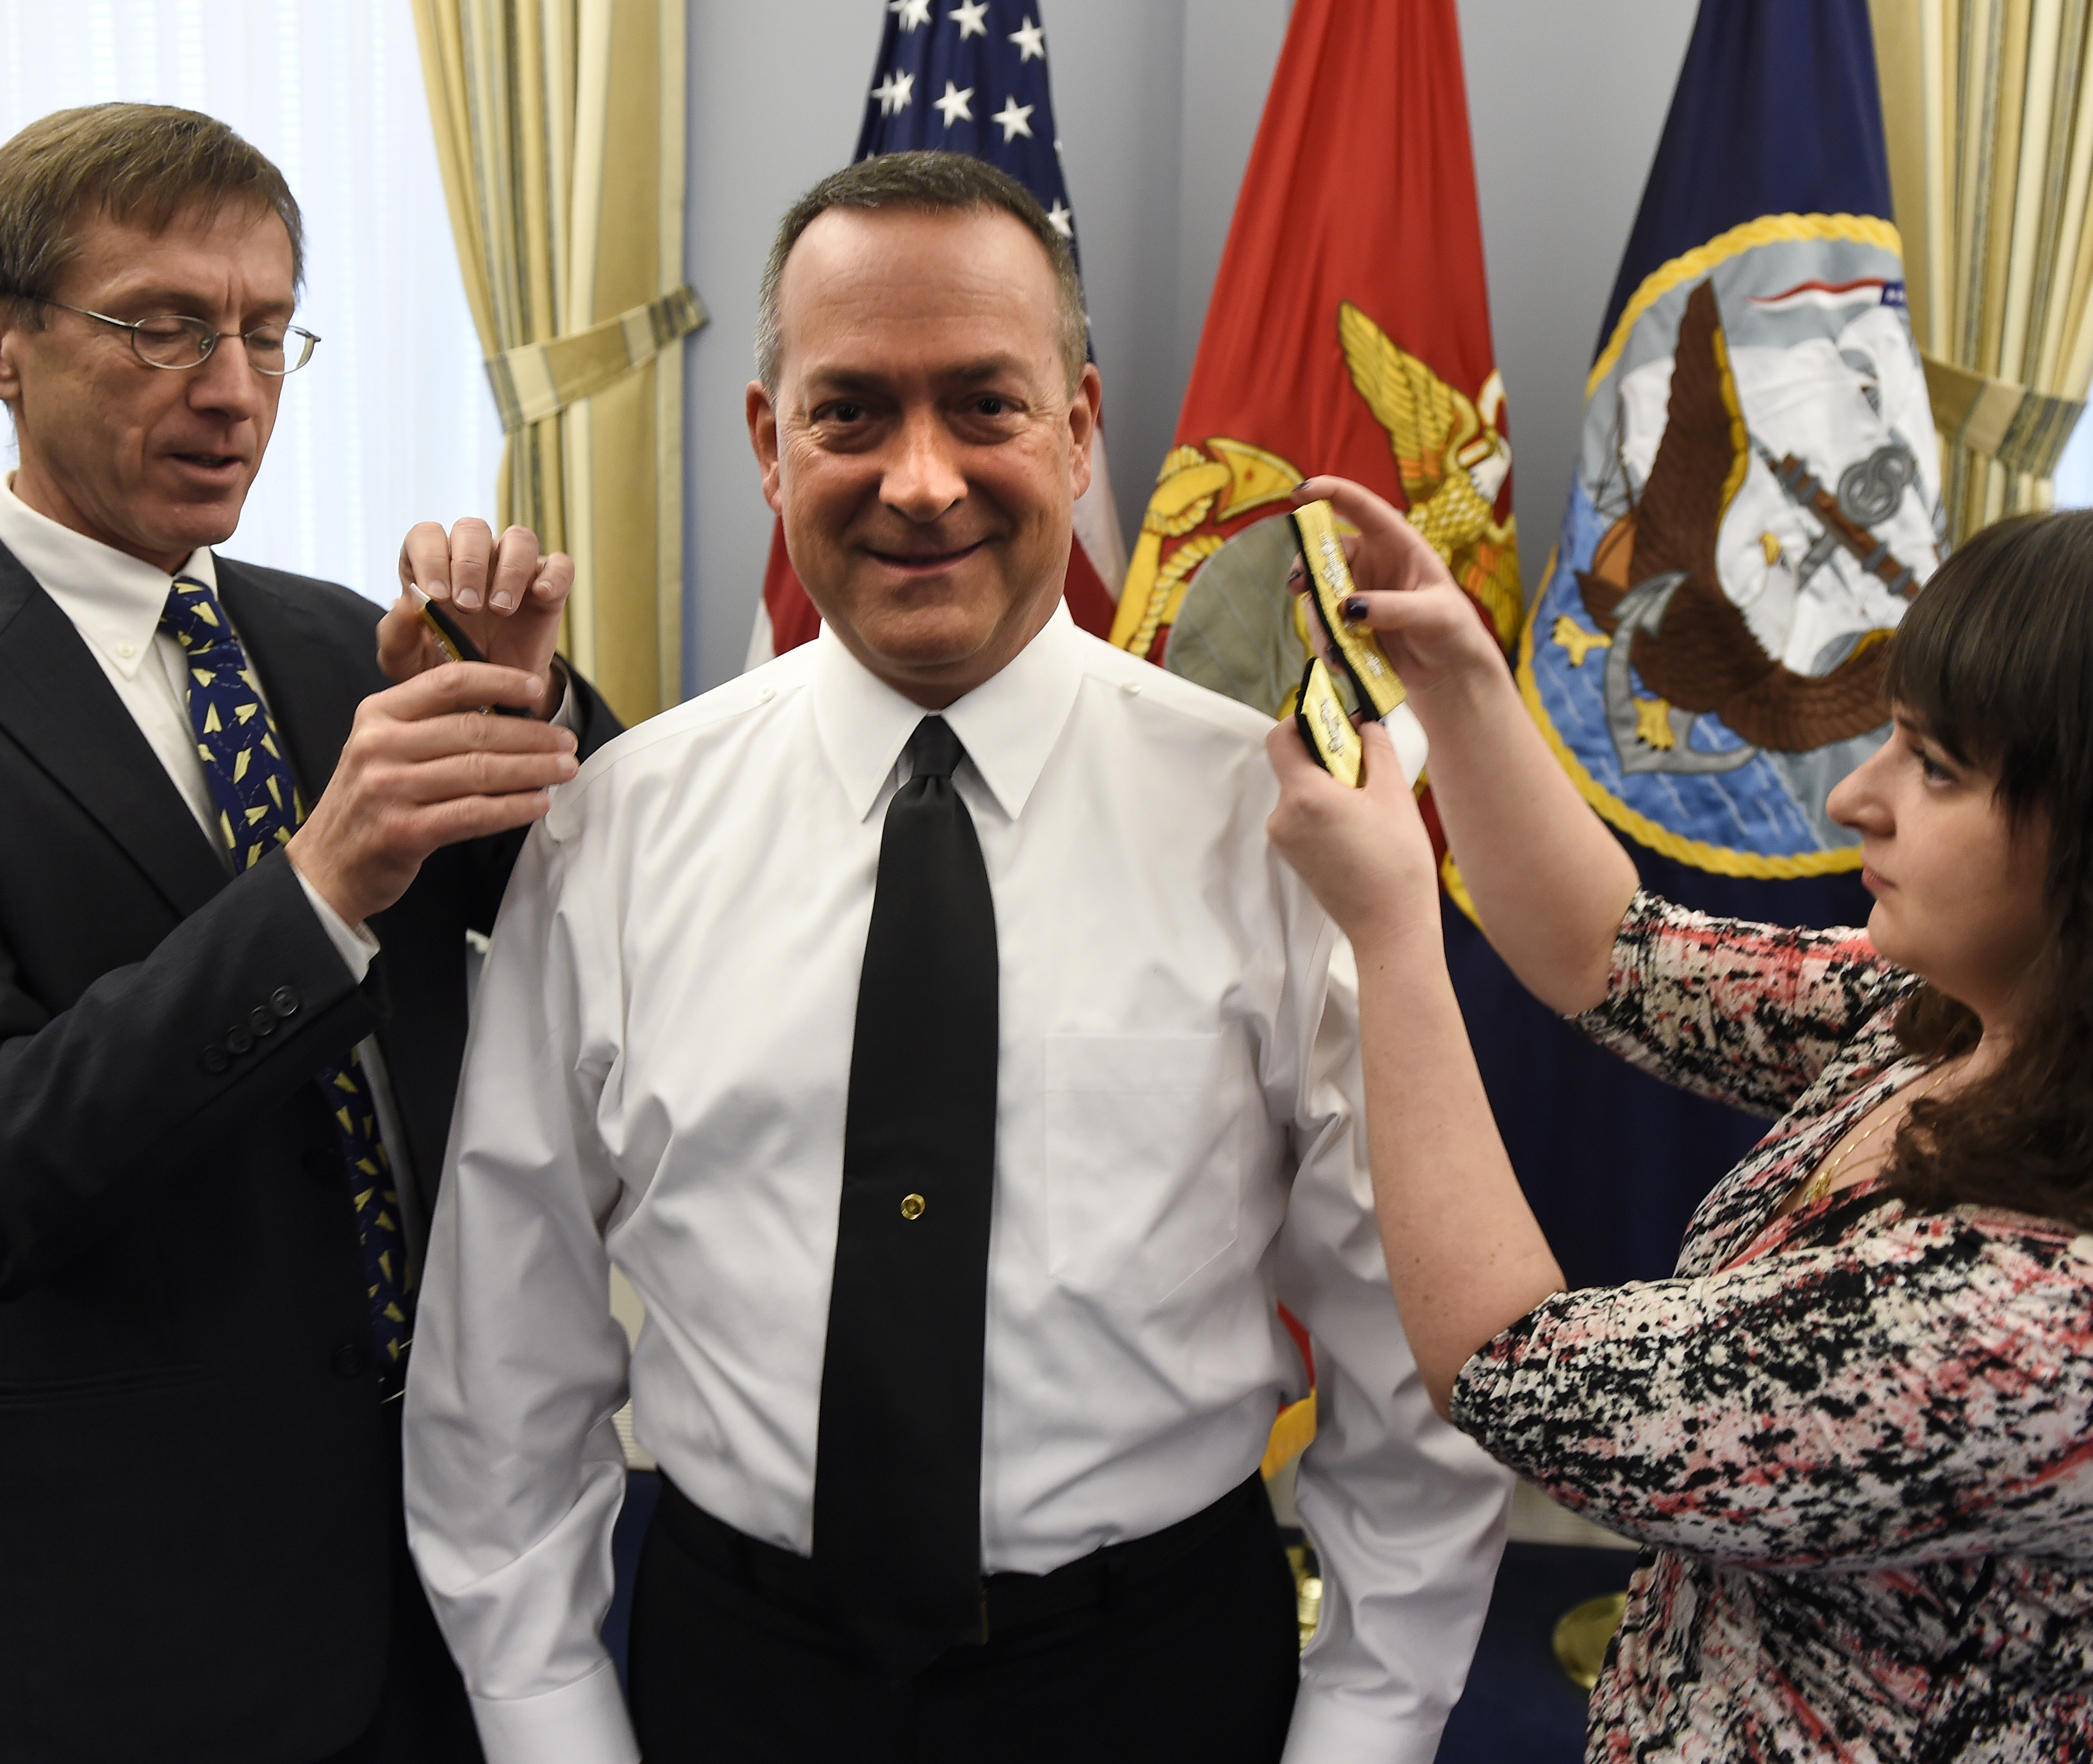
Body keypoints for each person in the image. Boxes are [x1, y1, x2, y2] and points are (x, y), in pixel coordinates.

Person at [400, 151, 1511, 1764]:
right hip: (736, 1677)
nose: (919, 480)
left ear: (1076, 427)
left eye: (982, 406)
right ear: (767, 441)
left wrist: (1361, 1727)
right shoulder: (613, 829)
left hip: (1157, 1679)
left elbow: (1402, 1363)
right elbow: (503, 1356)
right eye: (850, 411)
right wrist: (554, 1726)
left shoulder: (1280, 830)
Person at [0, 103, 621, 1763]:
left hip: (467, 1550)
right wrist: (317, 889)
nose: (233, 386)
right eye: (163, 325)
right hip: (135, 1606)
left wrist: (535, 696)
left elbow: (613, 910)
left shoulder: (345, 646)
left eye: (267, 330)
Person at [1262, 479, 2093, 1760]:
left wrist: (1390, 929)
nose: (1854, 798)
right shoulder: (1978, 1022)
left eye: (1934, 766)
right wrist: (1459, 679)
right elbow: (1611, 950)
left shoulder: (2090, 1335)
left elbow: (1512, 1369)